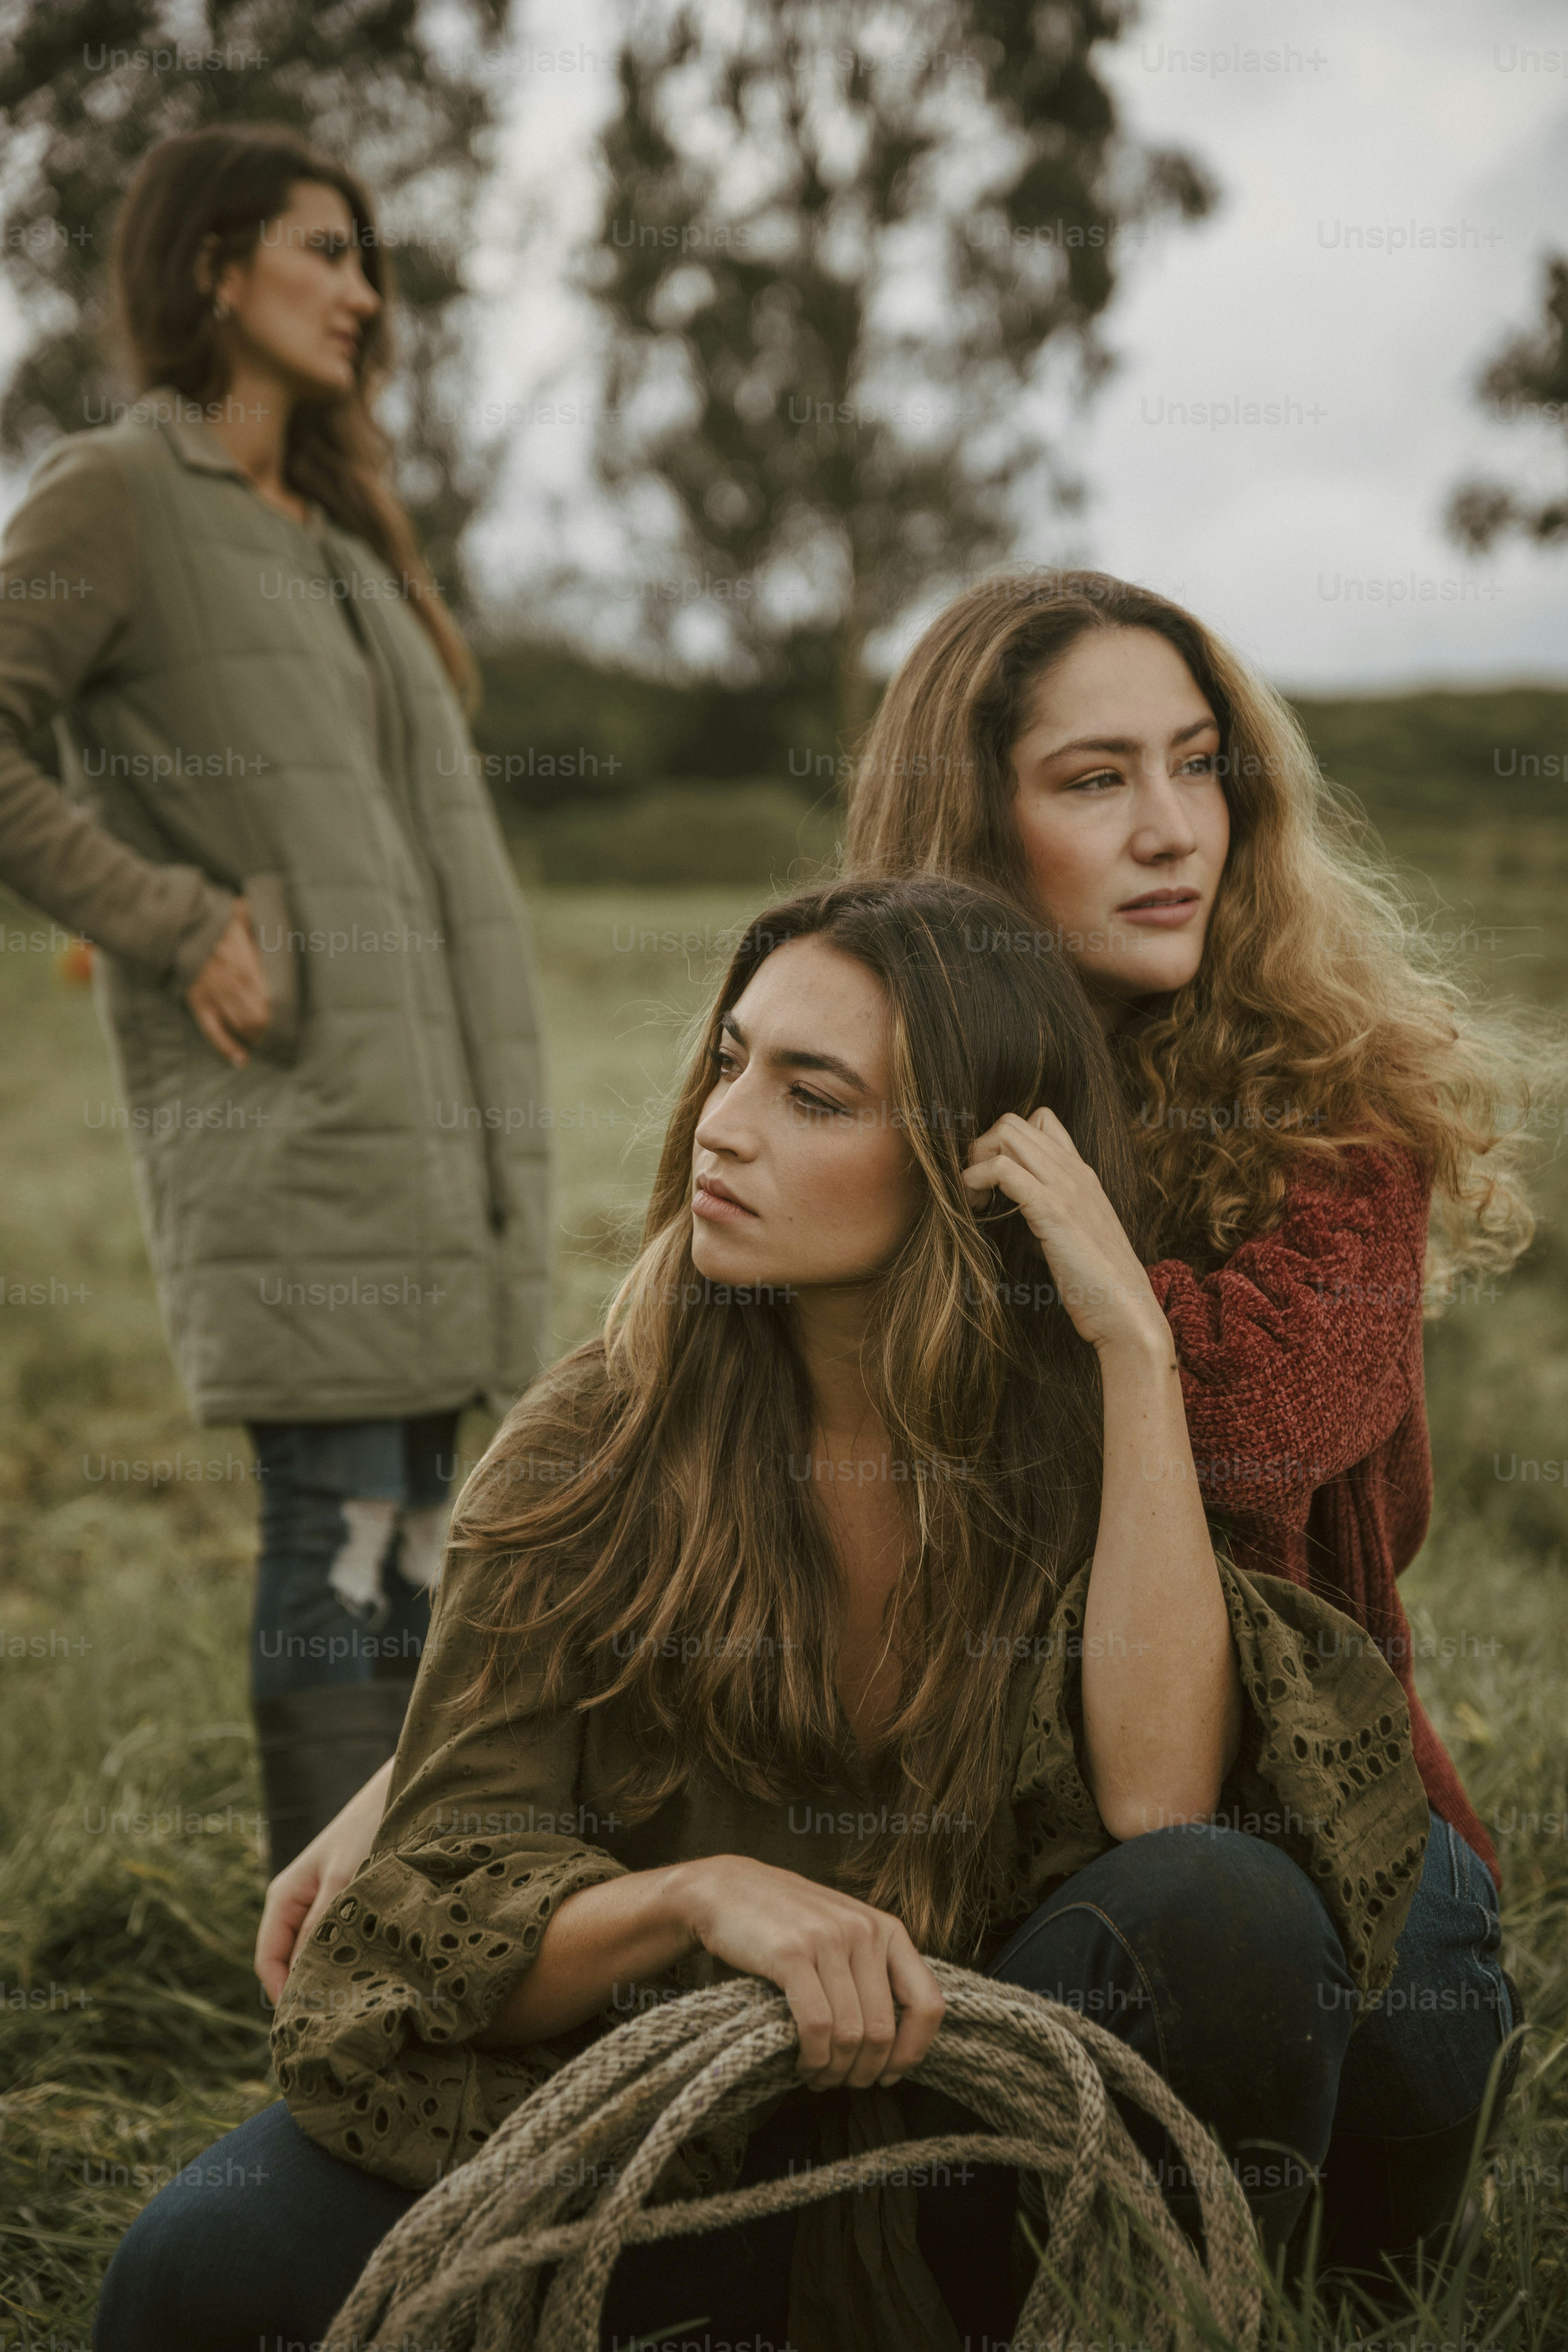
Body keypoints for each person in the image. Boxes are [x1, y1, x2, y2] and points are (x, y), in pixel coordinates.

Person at [254, 570, 1537, 2273]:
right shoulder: (849, 1057)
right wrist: (438, 1762)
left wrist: (1073, 1284)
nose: (1173, 830)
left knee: (1329, 1964)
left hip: (1273, 1785)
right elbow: (688, 1355)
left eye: (1199, 764)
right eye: (1095, 780)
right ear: (970, 831)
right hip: (936, 1780)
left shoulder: (1324, 1115)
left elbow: (1252, 1423)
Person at [97, 874, 1475, 2352]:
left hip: (964, 2146)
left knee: (1227, 1899)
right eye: (732, 1059)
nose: (722, 1120)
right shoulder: (590, 1444)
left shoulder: (1087, 1446)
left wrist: (1135, 1352)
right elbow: (430, 1927)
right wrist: (696, 1899)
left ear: (971, 1167)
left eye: (812, 1096)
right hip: (642, 2128)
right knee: (196, 2274)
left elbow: (1161, 1807)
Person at [0, 125, 550, 1867]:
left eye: (369, 262)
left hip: (435, 1134)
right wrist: (166, 914)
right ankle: (339, 2018)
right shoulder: (120, 488)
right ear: (216, 266)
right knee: (335, 1533)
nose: (364, 295)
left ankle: (421, 1968)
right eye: (327, 251)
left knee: (408, 1548)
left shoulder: (349, 540)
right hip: (298, 1121)